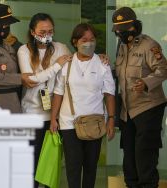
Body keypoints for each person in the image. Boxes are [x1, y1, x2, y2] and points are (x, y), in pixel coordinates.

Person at [50, 23, 116, 188]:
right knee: (73, 166)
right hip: (68, 122)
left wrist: (111, 120)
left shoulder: (102, 63)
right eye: (84, 39)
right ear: (75, 42)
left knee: (90, 166)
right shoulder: (67, 63)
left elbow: (109, 94)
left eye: (92, 39)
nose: (89, 43)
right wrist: (53, 118)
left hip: (94, 121)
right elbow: (58, 92)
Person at [112, 7, 167, 188]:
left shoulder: (149, 45)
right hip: (127, 110)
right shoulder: (120, 47)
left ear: (135, 26)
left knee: (145, 154)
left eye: (126, 28)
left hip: (148, 107)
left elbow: (163, 69)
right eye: (119, 29)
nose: (122, 33)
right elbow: (121, 72)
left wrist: (145, 82)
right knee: (129, 155)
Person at [17, 13, 71, 188]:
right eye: (42, 31)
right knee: (31, 167)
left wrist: (100, 58)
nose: (47, 34)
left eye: (50, 30)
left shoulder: (61, 48)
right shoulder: (24, 50)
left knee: (50, 166)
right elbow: (30, 80)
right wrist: (56, 66)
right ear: (33, 32)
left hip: (55, 116)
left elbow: (78, 65)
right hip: (32, 116)